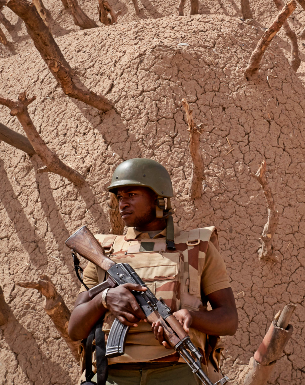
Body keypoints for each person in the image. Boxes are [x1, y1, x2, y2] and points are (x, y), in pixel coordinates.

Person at [68, 158, 238, 385]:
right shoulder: (104, 253)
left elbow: (229, 320)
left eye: (132, 195)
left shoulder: (197, 248)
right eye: (120, 197)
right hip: (112, 375)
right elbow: (74, 329)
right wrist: (105, 299)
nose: (122, 204)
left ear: (158, 198)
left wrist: (191, 317)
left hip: (176, 373)